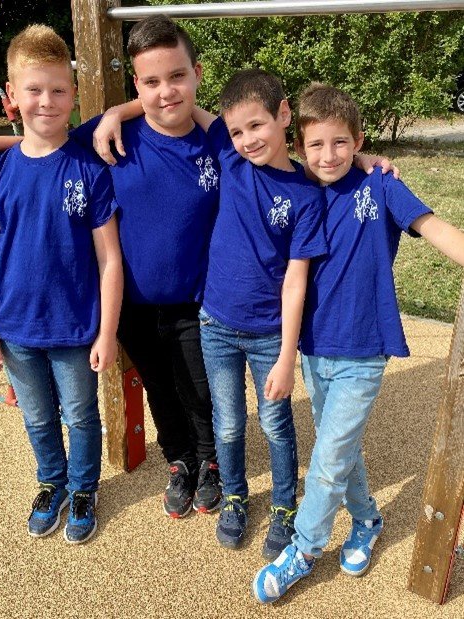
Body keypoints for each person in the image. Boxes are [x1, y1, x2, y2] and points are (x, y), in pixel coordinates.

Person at [0, 15, 394, 521]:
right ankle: (180, 460)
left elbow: (278, 151)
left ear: (197, 75)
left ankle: (209, 461)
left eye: (177, 77)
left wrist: (358, 159)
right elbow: (46, 142)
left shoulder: (218, 141)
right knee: (159, 388)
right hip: (134, 303)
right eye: (150, 82)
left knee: (199, 390)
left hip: (198, 300)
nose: (165, 91)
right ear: (137, 85)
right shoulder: (112, 135)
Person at [252, 82, 464, 603]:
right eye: (317, 144)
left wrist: (370, 163)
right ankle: (367, 519)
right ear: (299, 146)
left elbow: (433, 227)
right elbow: (241, 134)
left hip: (364, 349)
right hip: (313, 348)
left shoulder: (380, 185)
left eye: (341, 143)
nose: (329, 155)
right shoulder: (295, 188)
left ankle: (304, 548)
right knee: (338, 446)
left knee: (327, 458)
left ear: (359, 140)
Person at [0, 25, 123, 545]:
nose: (47, 101)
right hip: (15, 327)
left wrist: (106, 332)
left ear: (73, 94)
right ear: (12, 96)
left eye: (58, 90)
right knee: (37, 417)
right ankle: (52, 482)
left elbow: (109, 258)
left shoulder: (89, 169)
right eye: (33, 90)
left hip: (75, 327)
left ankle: (83, 488)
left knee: (80, 415)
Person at [190, 69, 326, 559]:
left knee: (274, 424)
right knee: (228, 424)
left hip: (270, 334)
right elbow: (176, 103)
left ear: (284, 114)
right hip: (216, 324)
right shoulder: (230, 156)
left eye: (256, 125)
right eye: (237, 130)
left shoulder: (307, 195)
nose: (247, 140)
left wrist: (288, 356)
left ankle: (285, 504)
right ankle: (235, 496)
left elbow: (296, 280)